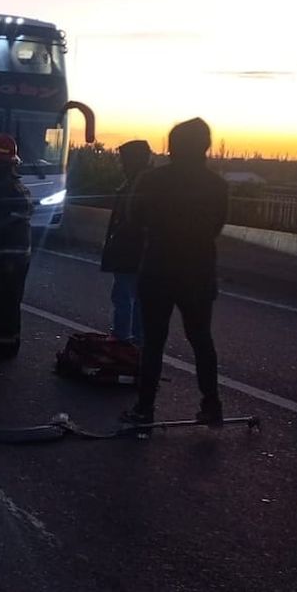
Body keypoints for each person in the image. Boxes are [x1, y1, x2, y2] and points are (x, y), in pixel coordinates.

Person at [122, 118, 228, 425]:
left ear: (173, 146)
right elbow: (216, 227)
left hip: (158, 267)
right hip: (198, 270)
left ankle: (144, 408)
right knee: (201, 339)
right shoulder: (217, 185)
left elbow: (134, 217)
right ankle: (211, 404)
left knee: (153, 341)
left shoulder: (152, 180)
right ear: (205, 146)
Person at [0, 134, 32, 357]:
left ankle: (1, 347)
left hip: (4, 256)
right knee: (10, 301)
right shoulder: (17, 185)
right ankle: (9, 343)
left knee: (1, 301)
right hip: (19, 255)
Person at [100, 140, 153, 344]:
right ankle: (134, 341)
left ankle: (124, 340)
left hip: (131, 252)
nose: (121, 164)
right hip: (134, 252)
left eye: (124, 160)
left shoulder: (139, 185)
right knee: (133, 298)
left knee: (126, 297)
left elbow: (132, 220)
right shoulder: (140, 182)